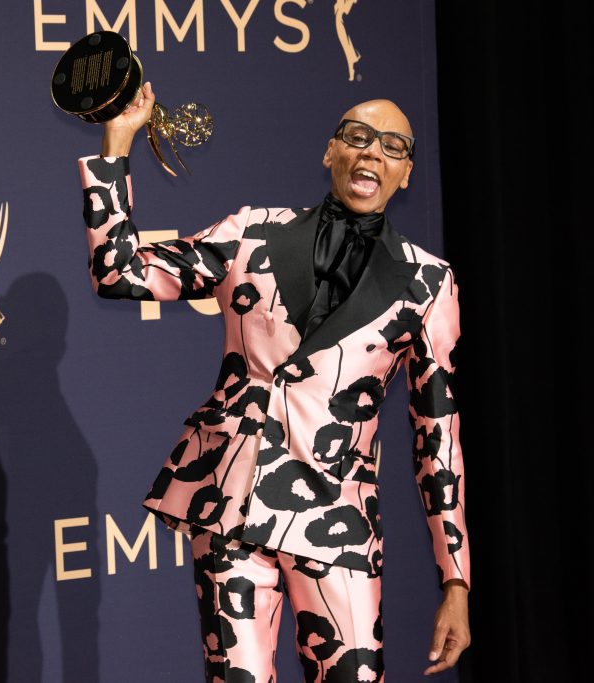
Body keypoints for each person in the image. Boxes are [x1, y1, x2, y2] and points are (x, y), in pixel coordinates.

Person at [76, 82, 471, 682]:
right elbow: (120, 272)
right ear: (329, 152)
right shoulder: (252, 232)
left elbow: (437, 438)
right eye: (358, 138)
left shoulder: (428, 282)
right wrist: (118, 140)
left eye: (392, 147)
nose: (372, 154)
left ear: (407, 173)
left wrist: (455, 577)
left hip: (339, 521)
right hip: (230, 504)